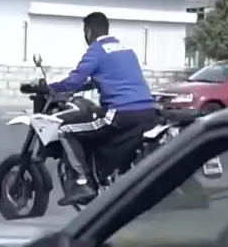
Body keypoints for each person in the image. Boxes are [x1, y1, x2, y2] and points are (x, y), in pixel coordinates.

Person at [46, 12, 158, 206]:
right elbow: (109, 77)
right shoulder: (126, 49)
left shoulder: (96, 50)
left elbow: (74, 80)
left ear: (89, 32)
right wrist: (83, 86)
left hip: (121, 113)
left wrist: (51, 88)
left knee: (65, 129)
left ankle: (83, 183)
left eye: (85, 32)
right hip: (147, 111)